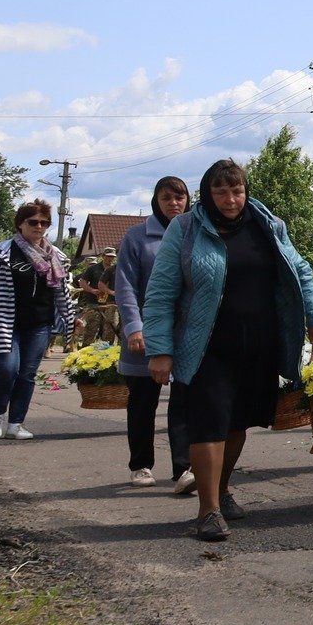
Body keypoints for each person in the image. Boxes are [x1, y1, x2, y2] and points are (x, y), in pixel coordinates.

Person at [145, 160, 313, 542]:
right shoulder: (186, 229)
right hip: (207, 346)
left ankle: (222, 490)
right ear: (207, 193)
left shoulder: (269, 224)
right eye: (220, 192)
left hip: (258, 343)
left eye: (237, 191)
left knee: (238, 423)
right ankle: (208, 510)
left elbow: (300, 270)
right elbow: (161, 291)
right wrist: (160, 350)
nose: (230, 200)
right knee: (209, 423)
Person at [0, 200, 77, 441]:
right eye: (33, 222)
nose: (39, 227)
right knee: (7, 369)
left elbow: (62, 293)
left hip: (40, 323)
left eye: (44, 223)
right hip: (5, 320)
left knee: (27, 374)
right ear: (20, 224)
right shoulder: (0, 253)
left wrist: (71, 318)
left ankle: (16, 423)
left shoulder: (57, 256)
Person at [115, 177, 194, 490]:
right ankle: (141, 465)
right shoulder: (137, 237)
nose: (174, 203)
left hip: (185, 333)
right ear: (156, 201)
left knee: (184, 402)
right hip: (145, 334)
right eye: (166, 198)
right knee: (142, 403)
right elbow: (125, 286)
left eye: (179, 197)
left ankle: (183, 468)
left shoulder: (194, 233)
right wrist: (134, 327)